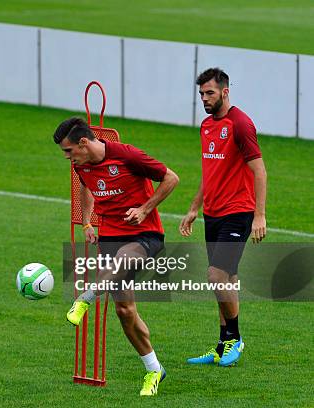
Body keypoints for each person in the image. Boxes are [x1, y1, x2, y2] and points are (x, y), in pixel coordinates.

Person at [55, 117, 179, 396]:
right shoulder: (81, 164)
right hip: (110, 236)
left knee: (123, 259)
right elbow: (85, 188)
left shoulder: (127, 154)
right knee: (125, 311)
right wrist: (87, 223)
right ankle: (154, 369)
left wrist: (145, 209)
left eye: (68, 150)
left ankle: (86, 297)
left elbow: (172, 178)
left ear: (83, 143)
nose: (66, 157)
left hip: (144, 234)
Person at [180, 67, 267, 366]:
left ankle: (236, 339)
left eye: (210, 93)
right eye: (201, 93)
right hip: (213, 214)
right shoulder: (206, 126)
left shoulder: (240, 124)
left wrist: (259, 216)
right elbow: (211, 172)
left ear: (225, 92)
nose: (204, 98)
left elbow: (259, 170)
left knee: (216, 276)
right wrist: (194, 208)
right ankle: (221, 346)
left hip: (238, 212)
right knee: (226, 280)